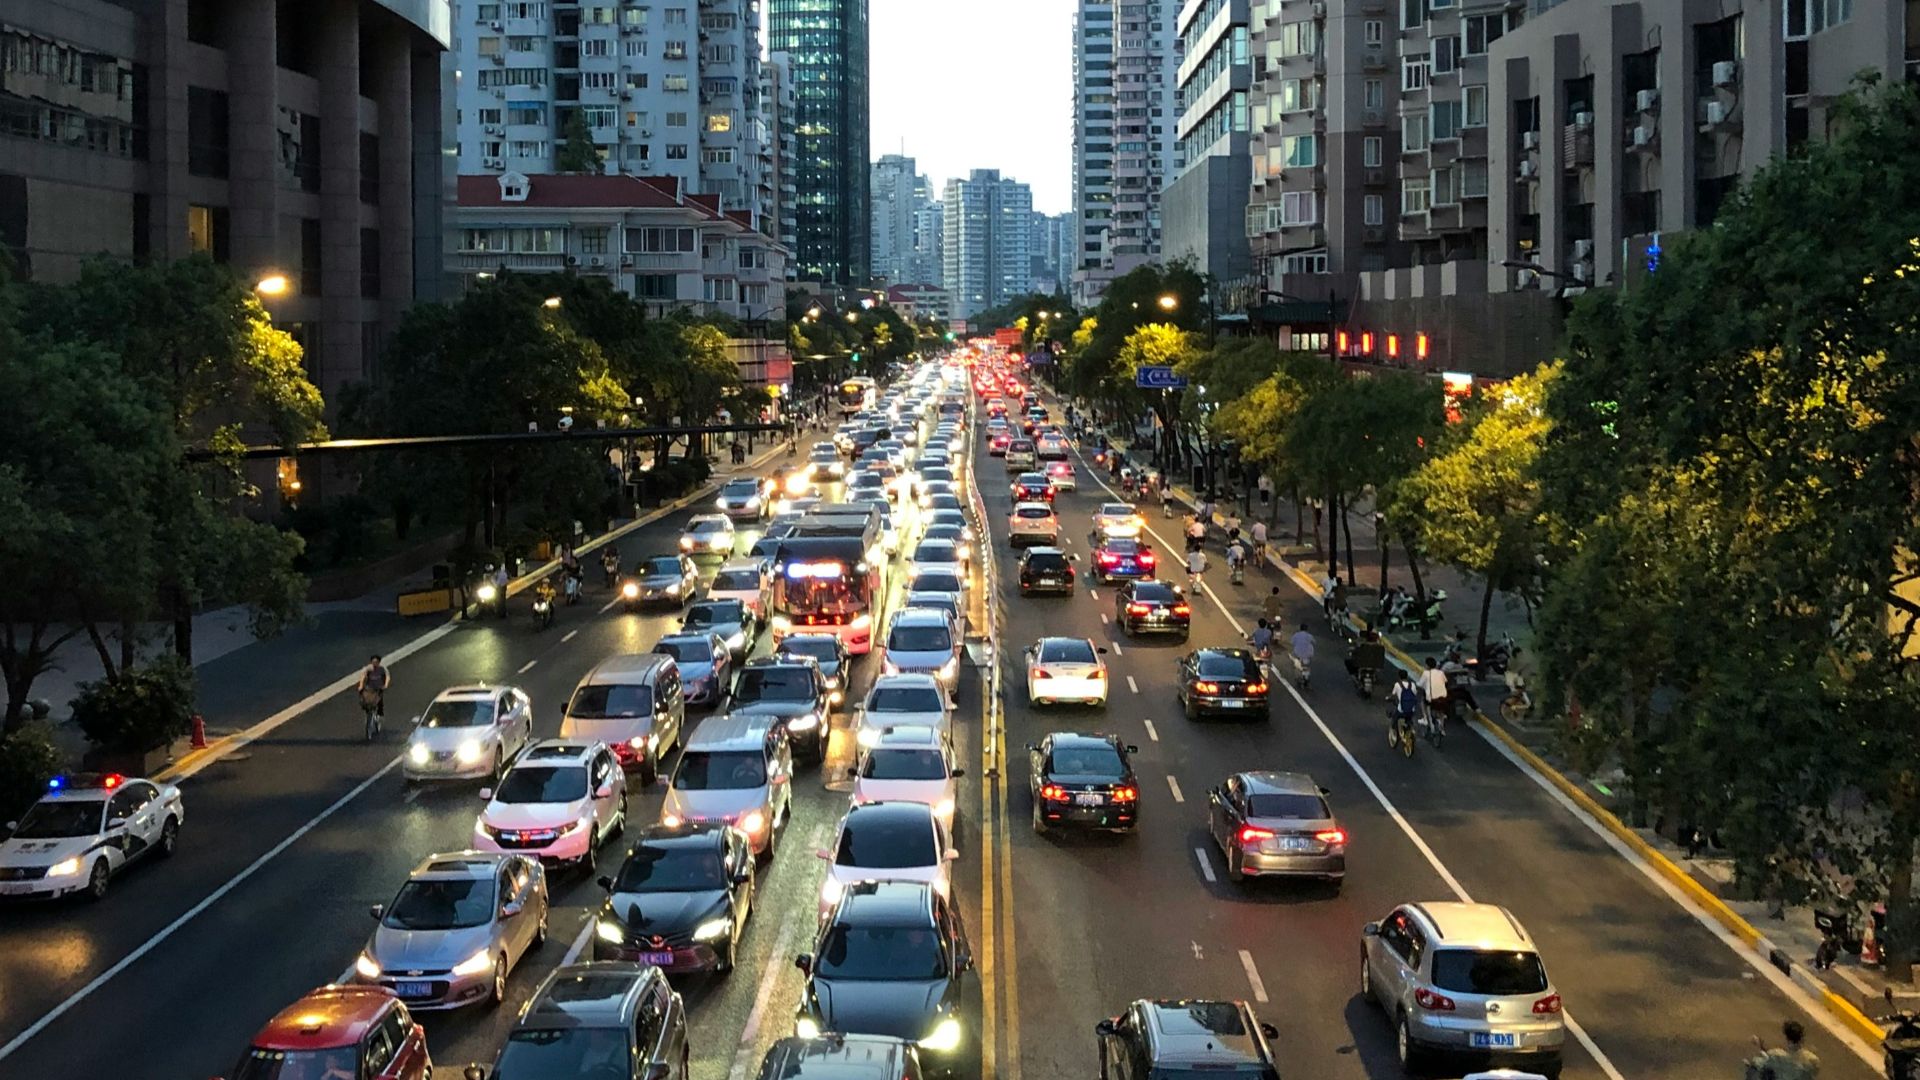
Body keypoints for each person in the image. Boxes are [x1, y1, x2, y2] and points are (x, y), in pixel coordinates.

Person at [1746, 1020, 1819, 1080]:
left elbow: (1765, 1062)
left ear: (1787, 1038)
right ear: (1802, 1039)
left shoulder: (1776, 1056)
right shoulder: (1813, 1060)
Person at [1389, 670, 1422, 744]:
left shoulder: (1397, 685)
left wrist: (1388, 698)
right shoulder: (1412, 685)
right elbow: (1415, 694)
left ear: (1399, 676)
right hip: (1411, 710)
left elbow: (1393, 695)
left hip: (1401, 710)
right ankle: (1410, 728)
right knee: (1409, 719)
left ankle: (1394, 733)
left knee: (1394, 718)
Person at [1418, 657, 1450, 731]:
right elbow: (1445, 682)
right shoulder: (1441, 672)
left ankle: (1425, 718)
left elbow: (1420, 684)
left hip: (1432, 699)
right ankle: (1441, 726)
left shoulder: (1426, 673)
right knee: (1441, 709)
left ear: (1427, 665)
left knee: (1423, 701)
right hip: (1443, 697)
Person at [357, 655, 390, 719]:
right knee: (365, 698)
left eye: (376, 662)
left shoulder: (383, 668)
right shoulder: (368, 668)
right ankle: (367, 710)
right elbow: (363, 676)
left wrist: (386, 685)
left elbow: (387, 676)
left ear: (379, 662)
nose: (374, 663)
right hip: (370, 687)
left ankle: (380, 712)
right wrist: (361, 685)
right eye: (373, 662)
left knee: (379, 698)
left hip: (379, 687)